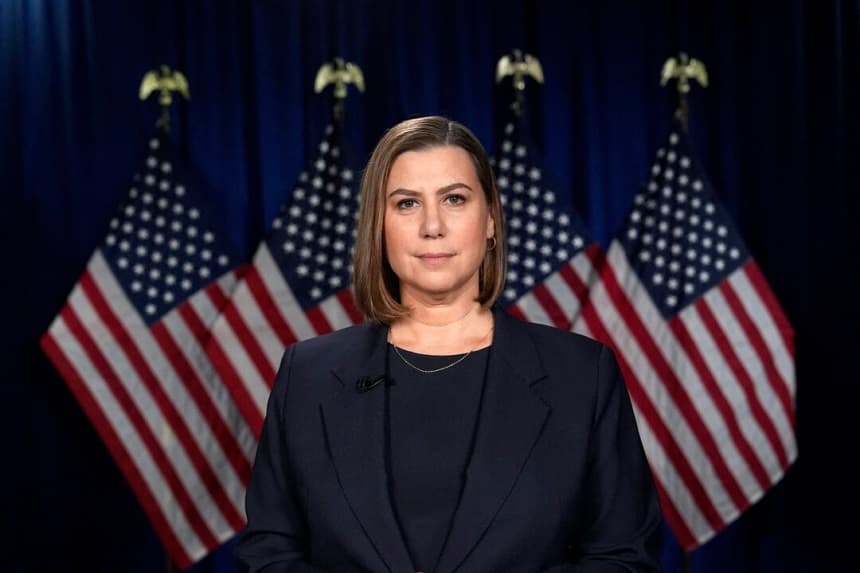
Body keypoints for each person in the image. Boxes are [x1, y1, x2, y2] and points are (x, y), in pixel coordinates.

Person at [234, 115, 663, 572]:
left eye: (454, 199)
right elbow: (268, 553)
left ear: (491, 218)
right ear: (378, 227)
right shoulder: (310, 374)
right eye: (406, 204)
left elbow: (624, 558)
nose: (432, 226)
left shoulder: (582, 375)